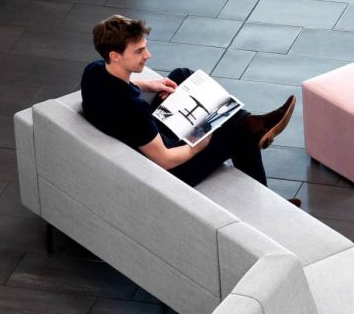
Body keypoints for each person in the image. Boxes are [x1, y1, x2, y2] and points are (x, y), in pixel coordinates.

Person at [80, 14, 296, 198]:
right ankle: (255, 135)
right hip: (176, 168)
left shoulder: (95, 71)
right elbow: (164, 160)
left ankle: (253, 124)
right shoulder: (134, 111)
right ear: (115, 56)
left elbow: (117, 89)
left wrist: (148, 84)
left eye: (145, 48)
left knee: (180, 76)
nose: (148, 55)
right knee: (237, 133)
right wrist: (198, 145)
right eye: (138, 51)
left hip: (144, 136)